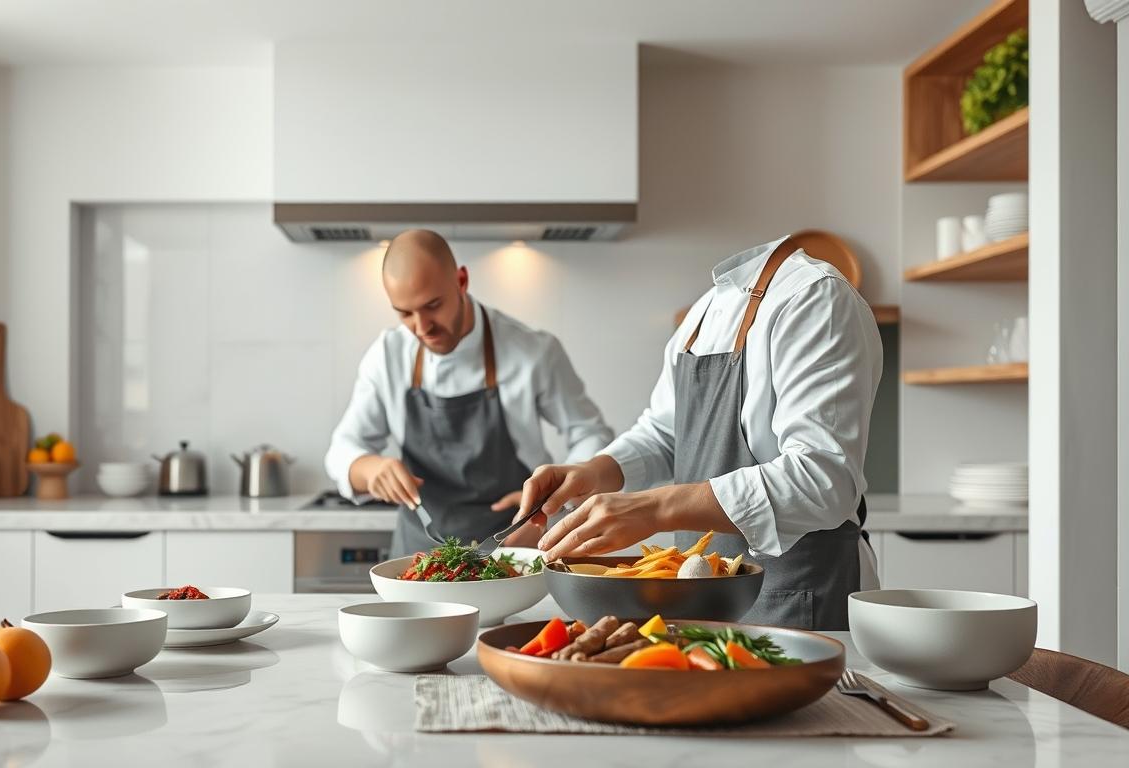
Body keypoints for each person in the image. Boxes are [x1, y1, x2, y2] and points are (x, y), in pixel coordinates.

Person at [507, 235, 882, 630]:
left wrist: (653, 508)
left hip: (798, 603)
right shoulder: (705, 312)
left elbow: (823, 479)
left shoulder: (815, 299)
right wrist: (595, 471)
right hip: (698, 603)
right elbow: (665, 432)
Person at [325, 229, 614, 556]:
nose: (422, 328)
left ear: (461, 280)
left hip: (514, 552)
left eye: (433, 305)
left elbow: (591, 435)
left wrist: (554, 504)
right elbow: (341, 451)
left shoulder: (533, 352)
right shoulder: (388, 354)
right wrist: (371, 468)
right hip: (419, 559)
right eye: (405, 313)